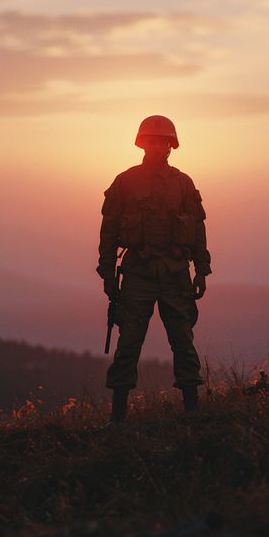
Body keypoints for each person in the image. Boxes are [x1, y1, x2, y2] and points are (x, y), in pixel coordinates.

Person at [97, 115, 212, 423]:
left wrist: (202, 270)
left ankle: (192, 413)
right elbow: (108, 231)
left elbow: (198, 230)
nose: (158, 147)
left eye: (163, 142)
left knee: (183, 342)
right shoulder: (125, 182)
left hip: (176, 273)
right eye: (152, 141)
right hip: (138, 273)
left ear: (171, 146)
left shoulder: (183, 183)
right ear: (142, 144)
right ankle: (118, 419)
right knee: (129, 344)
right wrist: (108, 274)